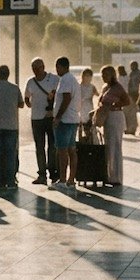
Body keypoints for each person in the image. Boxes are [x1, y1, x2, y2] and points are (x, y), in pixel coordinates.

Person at [23, 58, 60, 184]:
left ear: (43, 67)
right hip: (36, 118)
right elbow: (26, 98)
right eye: (33, 68)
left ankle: (53, 172)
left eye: (38, 68)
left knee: (52, 146)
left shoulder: (54, 79)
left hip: (50, 116)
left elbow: (59, 93)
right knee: (39, 147)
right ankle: (42, 173)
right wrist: (29, 103)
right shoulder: (30, 82)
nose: (36, 71)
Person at [97, 65, 130, 187]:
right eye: (102, 75)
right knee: (109, 147)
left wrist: (115, 105)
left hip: (116, 117)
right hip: (107, 118)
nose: (103, 77)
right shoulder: (105, 87)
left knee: (116, 146)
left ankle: (116, 177)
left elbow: (127, 101)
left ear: (112, 75)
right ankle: (109, 175)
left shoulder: (118, 87)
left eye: (105, 75)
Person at [52, 56, 81, 188]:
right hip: (73, 118)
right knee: (71, 149)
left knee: (62, 150)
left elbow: (66, 98)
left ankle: (63, 179)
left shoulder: (65, 79)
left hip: (65, 120)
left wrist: (58, 117)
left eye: (57, 67)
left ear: (62, 67)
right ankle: (71, 179)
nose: (56, 70)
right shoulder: (73, 79)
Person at [78, 68, 100, 136]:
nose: (87, 77)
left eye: (89, 76)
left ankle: (89, 140)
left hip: (89, 106)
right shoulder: (79, 86)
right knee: (80, 125)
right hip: (80, 107)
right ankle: (80, 141)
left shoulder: (92, 86)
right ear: (82, 76)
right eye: (86, 76)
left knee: (89, 125)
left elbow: (98, 95)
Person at [127, 61, 140, 134]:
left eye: (132, 66)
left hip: (139, 94)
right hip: (132, 94)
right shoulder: (131, 74)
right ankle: (133, 128)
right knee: (132, 112)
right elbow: (129, 84)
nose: (131, 67)